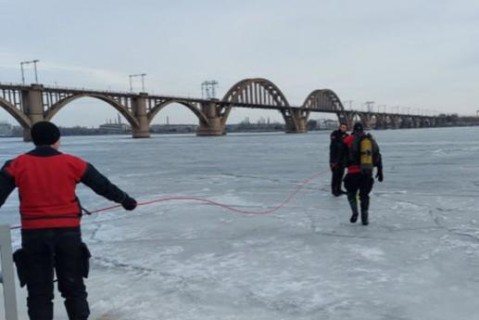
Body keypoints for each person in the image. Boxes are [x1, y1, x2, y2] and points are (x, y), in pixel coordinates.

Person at [0, 121, 138, 320]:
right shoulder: (73, 163)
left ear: (34, 141)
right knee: (74, 287)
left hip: (33, 235)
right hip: (68, 234)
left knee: (39, 292)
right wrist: (126, 201)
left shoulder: (16, 165)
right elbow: (103, 186)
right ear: (57, 140)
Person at [341, 122, 383, 225]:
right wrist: (380, 170)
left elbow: (342, 156)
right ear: (362, 130)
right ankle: (365, 217)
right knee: (364, 196)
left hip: (352, 173)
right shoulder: (370, 140)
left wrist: (339, 167)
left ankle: (355, 212)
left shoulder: (348, 140)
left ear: (353, 130)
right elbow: (377, 155)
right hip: (367, 172)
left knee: (351, 194)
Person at [329, 122, 349, 196]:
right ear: (339, 127)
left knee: (341, 175)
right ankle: (334, 190)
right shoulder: (334, 134)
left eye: (345, 127)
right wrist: (333, 161)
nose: (343, 128)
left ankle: (339, 189)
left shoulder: (347, 135)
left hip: (342, 160)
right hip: (334, 159)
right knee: (335, 175)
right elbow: (335, 145)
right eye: (342, 127)